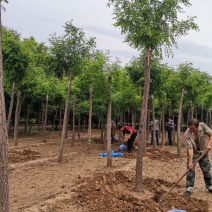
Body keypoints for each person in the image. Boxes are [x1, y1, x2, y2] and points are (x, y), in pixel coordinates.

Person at [184, 118, 212, 196]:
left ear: (197, 126)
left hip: (203, 152)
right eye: (190, 128)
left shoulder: (202, 126)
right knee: (190, 170)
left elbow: (211, 134)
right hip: (194, 153)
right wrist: (190, 162)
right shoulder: (187, 134)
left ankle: (210, 186)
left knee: (206, 169)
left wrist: (209, 144)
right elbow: (190, 148)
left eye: (193, 129)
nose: (192, 130)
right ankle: (189, 187)